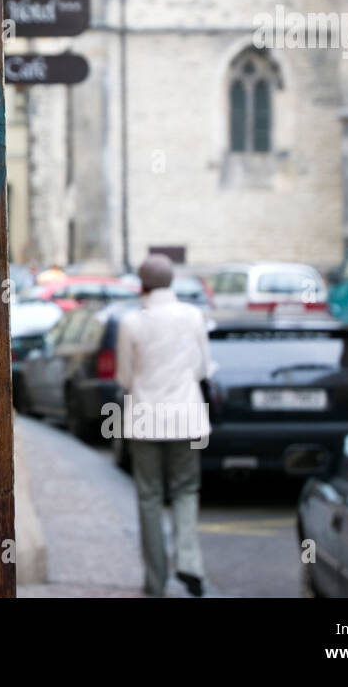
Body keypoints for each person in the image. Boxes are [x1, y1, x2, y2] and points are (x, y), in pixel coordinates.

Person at [115, 253, 212, 597]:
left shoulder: (131, 323)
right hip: (187, 418)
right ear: (172, 282)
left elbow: (125, 378)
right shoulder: (193, 316)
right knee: (186, 491)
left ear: (141, 285)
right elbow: (202, 370)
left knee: (149, 498)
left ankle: (155, 583)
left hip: (145, 421)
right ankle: (189, 562)